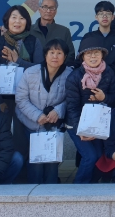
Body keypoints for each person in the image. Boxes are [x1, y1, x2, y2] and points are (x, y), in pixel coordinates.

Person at [15, 38, 73, 184]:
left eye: (59, 53)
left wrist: (59, 110)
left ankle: (51, 192)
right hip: (31, 123)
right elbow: (21, 99)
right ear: (45, 55)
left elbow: (72, 99)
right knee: (36, 163)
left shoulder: (70, 74)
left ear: (65, 56)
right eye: (51, 52)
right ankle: (34, 192)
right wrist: (37, 115)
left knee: (52, 162)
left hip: (54, 124)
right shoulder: (31, 72)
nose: (55, 56)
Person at [65, 34, 115, 184]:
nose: (93, 56)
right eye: (88, 53)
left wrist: (104, 97)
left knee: (100, 156)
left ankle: (91, 187)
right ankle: (78, 188)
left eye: (96, 52)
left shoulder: (109, 72)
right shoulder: (75, 77)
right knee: (90, 156)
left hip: (98, 123)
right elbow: (72, 108)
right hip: (75, 124)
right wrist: (81, 130)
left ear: (102, 55)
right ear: (82, 56)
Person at [81, 1, 115, 105]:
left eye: (108, 13)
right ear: (96, 17)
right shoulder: (89, 37)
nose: (104, 16)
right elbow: (80, 61)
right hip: (92, 87)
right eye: (101, 14)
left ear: (113, 17)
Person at [28, 0, 76, 65]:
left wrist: (58, 69)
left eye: (52, 8)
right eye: (45, 7)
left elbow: (70, 55)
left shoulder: (64, 31)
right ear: (39, 10)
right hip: (32, 69)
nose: (48, 11)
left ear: (56, 11)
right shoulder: (28, 30)